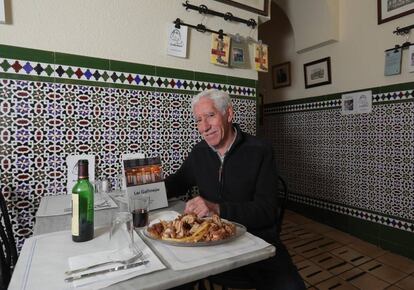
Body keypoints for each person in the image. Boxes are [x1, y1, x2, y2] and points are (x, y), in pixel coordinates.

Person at [165, 89, 305, 290]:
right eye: (198, 120)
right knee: (170, 282)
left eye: (210, 116)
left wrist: (217, 209)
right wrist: (144, 189)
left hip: (256, 239)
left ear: (228, 114)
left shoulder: (260, 150)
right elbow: (177, 181)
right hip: (208, 239)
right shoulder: (199, 152)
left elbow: (266, 211)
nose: (204, 127)